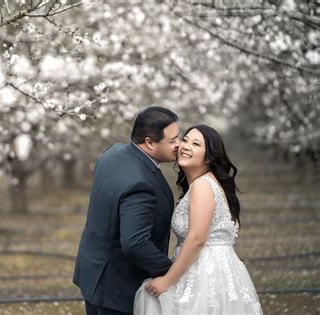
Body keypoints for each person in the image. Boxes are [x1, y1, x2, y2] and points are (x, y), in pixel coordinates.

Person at [134, 125, 263, 314]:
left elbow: (197, 238)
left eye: (196, 144)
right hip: (213, 268)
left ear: (209, 157)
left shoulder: (202, 186)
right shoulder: (203, 184)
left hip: (205, 273)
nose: (185, 146)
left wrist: (168, 280)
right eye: (184, 140)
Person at [73, 106, 180, 314]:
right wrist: (171, 272)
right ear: (149, 143)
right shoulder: (141, 183)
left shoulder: (112, 153)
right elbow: (135, 244)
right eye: (173, 140)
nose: (179, 145)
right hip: (117, 287)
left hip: (93, 274)